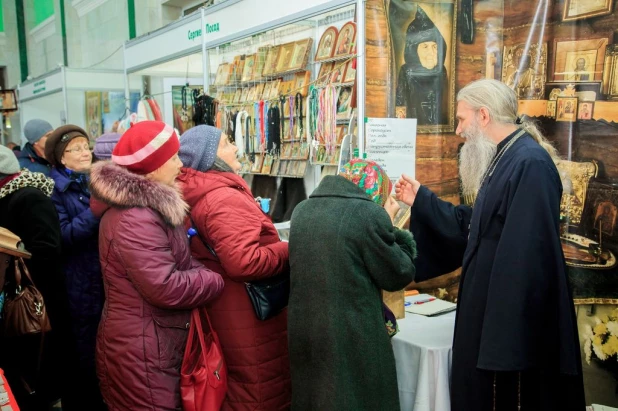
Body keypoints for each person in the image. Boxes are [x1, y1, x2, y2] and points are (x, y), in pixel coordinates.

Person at [395, 79, 585, 410]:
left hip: (510, 330)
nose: (458, 130)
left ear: (484, 116)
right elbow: (475, 226)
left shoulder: (530, 164)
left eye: (461, 119)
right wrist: (421, 200)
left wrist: (503, 343)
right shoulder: (506, 157)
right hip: (489, 318)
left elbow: (526, 259)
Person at [89, 121, 225, 411]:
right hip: (142, 351)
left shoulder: (146, 208)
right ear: (151, 168)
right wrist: (213, 278)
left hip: (151, 342)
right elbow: (164, 287)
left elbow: (177, 262)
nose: (180, 164)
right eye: (173, 158)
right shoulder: (136, 217)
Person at [177, 125, 291, 410]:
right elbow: (244, 263)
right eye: (227, 143)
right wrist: (291, 247)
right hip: (248, 314)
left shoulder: (212, 193)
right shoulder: (222, 198)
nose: (236, 148)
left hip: (235, 309)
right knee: (259, 392)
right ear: (209, 158)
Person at [288, 159, 416, 410]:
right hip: (352, 337)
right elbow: (399, 273)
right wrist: (391, 224)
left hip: (307, 332)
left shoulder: (302, 210)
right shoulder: (369, 215)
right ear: (375, 190)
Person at [0, 145, 76, 410]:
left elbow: (47, 249)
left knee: (41, 365)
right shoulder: (7, 195)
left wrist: (9, 261)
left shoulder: (28, 197)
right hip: (16, 296)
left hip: (38, 298)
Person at [44, 125, 106, 410]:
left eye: (86, 146)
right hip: (79, 282)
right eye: (76, 148)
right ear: (61, 157)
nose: (85, 152)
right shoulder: (54, 191)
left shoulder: (95, 180)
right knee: (85, 351)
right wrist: (95, 210)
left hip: (104, 276)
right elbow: (64, 236)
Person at [394, 6, 448, 125]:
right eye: (425, 46)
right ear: (414, 50)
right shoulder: (406, 71)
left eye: (435, 46)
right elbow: (400, 103)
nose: (431, 53)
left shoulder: (441, 71)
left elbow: (445, 104)